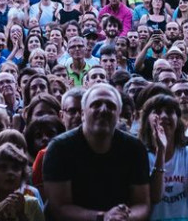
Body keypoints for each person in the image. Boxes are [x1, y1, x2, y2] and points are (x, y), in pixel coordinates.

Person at [42, 84, 151, 221]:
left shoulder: (135, 148)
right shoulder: (59, 149)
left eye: (111, 106)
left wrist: (123, 218)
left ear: (119, 115)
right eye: (96, 104)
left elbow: (142, 204)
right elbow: (59, 208)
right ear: (83, 113)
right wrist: (102, 217)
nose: (104, 110)